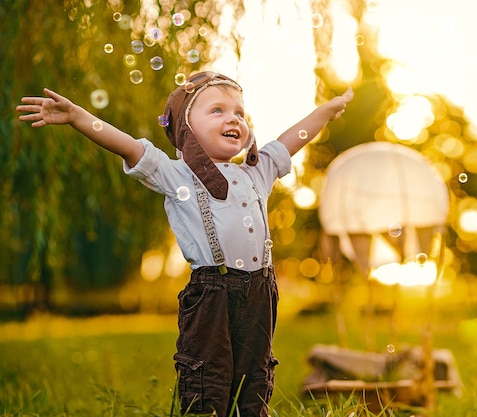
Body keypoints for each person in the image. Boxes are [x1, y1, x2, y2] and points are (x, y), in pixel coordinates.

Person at [17, 71, 354, 416]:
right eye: (217, 110)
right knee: (208, 379)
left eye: (239, 112)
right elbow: (128, 145)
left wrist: (325, 111)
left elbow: (292, 139)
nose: (234, 118)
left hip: (260, 293)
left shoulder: (257, 172)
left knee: (255, 377)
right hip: (212, 294)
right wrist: (78, 117)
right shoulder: (177, 174)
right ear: (185, 130)